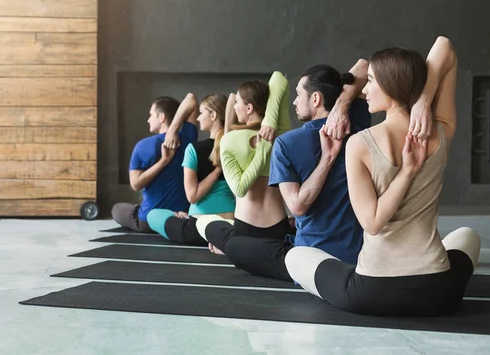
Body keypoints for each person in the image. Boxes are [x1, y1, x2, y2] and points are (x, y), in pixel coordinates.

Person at [285, 37, 481, 316]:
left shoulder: (359, 143)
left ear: (390, 86)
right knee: (467, 236)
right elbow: (444, 46)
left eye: (372, 81)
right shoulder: (440, 132)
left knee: (295, 256)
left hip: (374, 291)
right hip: (438, 291)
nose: (364, 90)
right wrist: (424, 101)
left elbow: (373, 222)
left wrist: (407, 171)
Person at [199, 62, 371, 281]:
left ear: (316, 99)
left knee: (234, 244)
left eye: (299, 95)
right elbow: (364, 66)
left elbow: (297, 206)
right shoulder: (355, 123)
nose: (295, 101)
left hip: (310, 259)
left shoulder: (286, 143)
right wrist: (342, 105)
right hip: (355, 255)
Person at [195, 71, 291, 254]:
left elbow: (240, 189)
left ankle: (227, 248)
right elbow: (279, 78)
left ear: (248, 108)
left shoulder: (229, 140)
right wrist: (269, 123)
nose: (234, 105)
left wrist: (262, 151)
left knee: (203, 223)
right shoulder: (280, 134)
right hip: (279, 226)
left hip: (246, 230)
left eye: (238, 102)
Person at [146, 94, 235, 244]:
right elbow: (233, 97)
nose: (198, 118)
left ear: (213, 115)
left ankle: (182, 216)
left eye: (201, 113)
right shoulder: (234, 147)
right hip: (230, 224)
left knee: (153, 215)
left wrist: (217, 170)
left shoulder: (194, 149)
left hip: (198, 229)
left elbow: (193, 196)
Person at [111, 95, 198, 232]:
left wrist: (164, 160)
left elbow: (135, 184)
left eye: (151, 115)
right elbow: (191, 99)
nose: (148, 119)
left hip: (148, 221)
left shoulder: (143, 146)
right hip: (180, 217)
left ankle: (140, 209)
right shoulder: (187, 138)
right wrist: (173, 131)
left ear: (161, 117)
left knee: (117, 209)